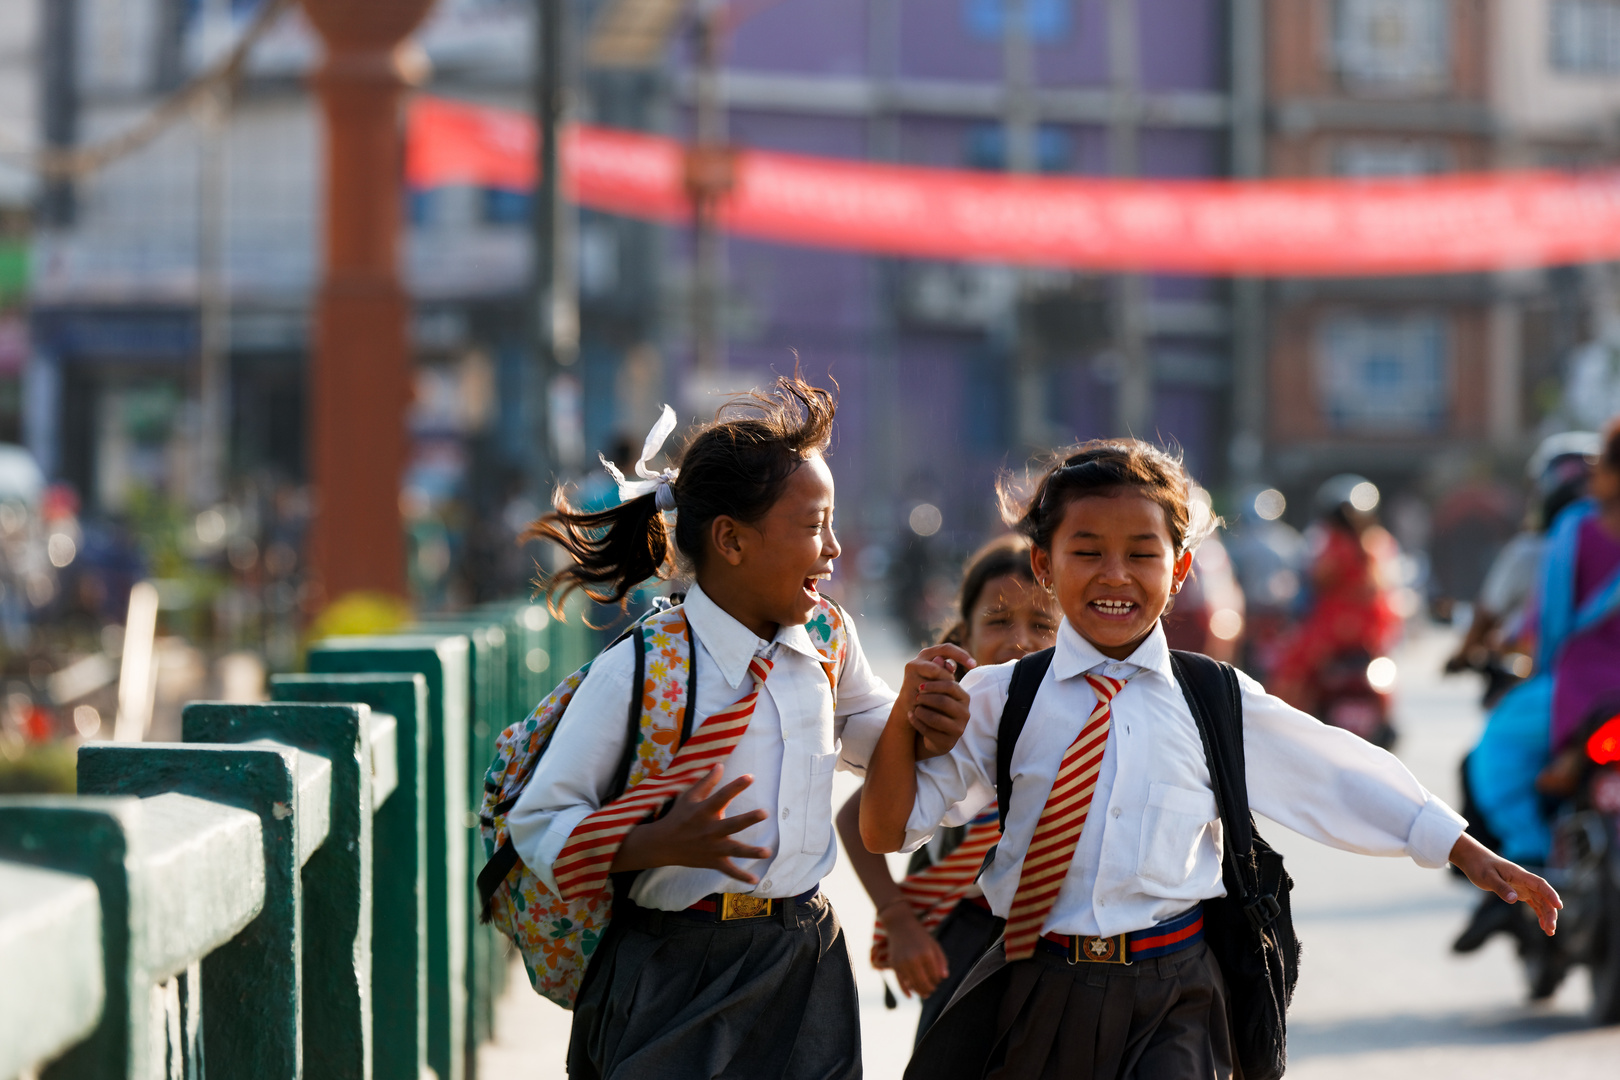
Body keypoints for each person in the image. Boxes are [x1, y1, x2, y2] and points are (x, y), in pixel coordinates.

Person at [859, 439, 1561, 1080]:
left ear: (1180, 567)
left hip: (1177, 994)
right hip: (1043, 983)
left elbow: (1335, 770)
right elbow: (889, 830)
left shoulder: (1213, 697)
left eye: (1142, 552)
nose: (1116, 575)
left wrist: (1465, 850)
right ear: (1043, 564)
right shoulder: (998, 697)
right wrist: (902, 720)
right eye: (1087, 551)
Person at [506, 376, 973, 1080]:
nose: (835, 548)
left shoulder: (824, 640)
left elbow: (875, 734)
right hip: (674, 965)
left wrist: (923, 720)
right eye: (815, 526)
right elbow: (540, 823)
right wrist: (652, 842)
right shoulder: (644, 669)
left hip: (804, 958)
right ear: (730, 540)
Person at [834, 535, 1059, 1044]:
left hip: (1058, 940)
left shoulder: (1079, 721)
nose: (1020, 640)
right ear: (964, 634)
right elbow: (857, 818)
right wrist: (897, 917)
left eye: (1043, 625)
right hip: (968, 932)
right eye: (998, 622)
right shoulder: (944, 724)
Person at [1448, 432, 1598, 958]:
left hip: (1578, 690)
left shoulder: (1574, 536)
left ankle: (1527, 854)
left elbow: (1545, 624)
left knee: (1494, 757)